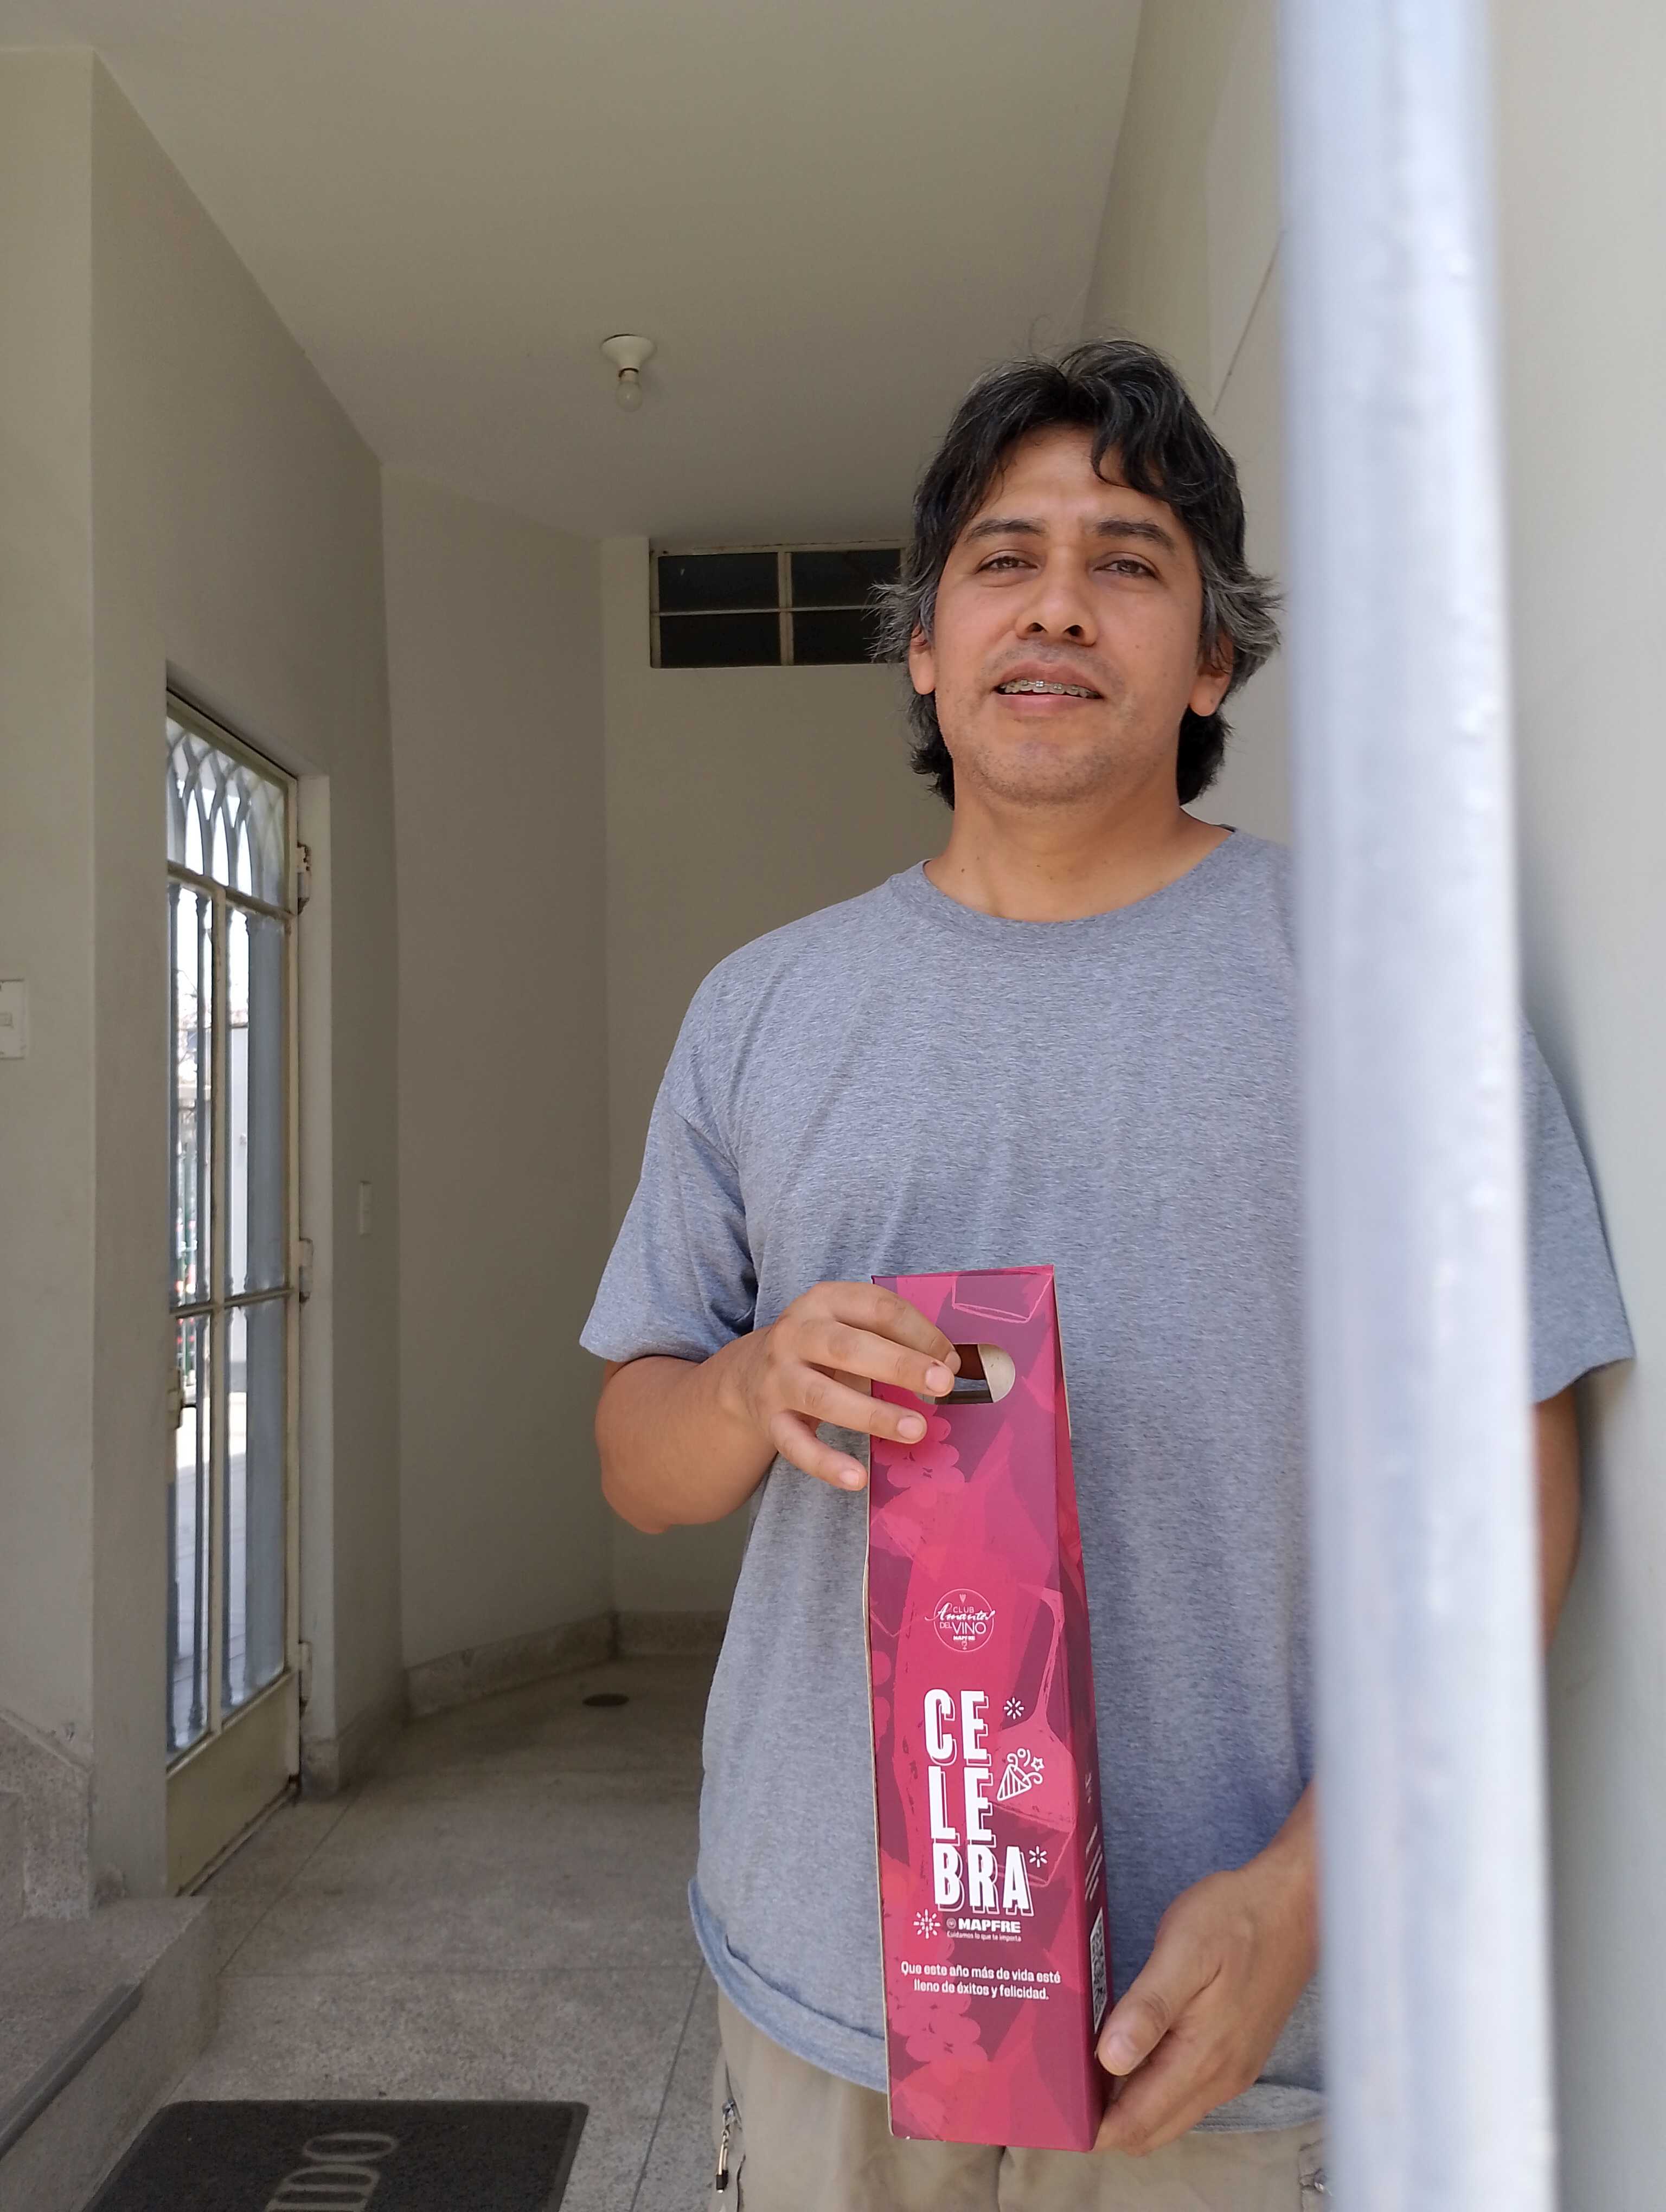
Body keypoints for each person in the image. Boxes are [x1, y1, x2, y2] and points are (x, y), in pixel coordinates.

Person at [580, 339, 1632, 2210]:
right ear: (923, 645)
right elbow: (639, 1464)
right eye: (1005, 559)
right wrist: (747, 1386)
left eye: (1129, 561)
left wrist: (1311, 1896)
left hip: (1218, 2023)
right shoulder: (763, 1011)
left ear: (1214, 657)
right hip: (834, 1993)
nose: (1059, 603)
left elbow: (1513, 1485)